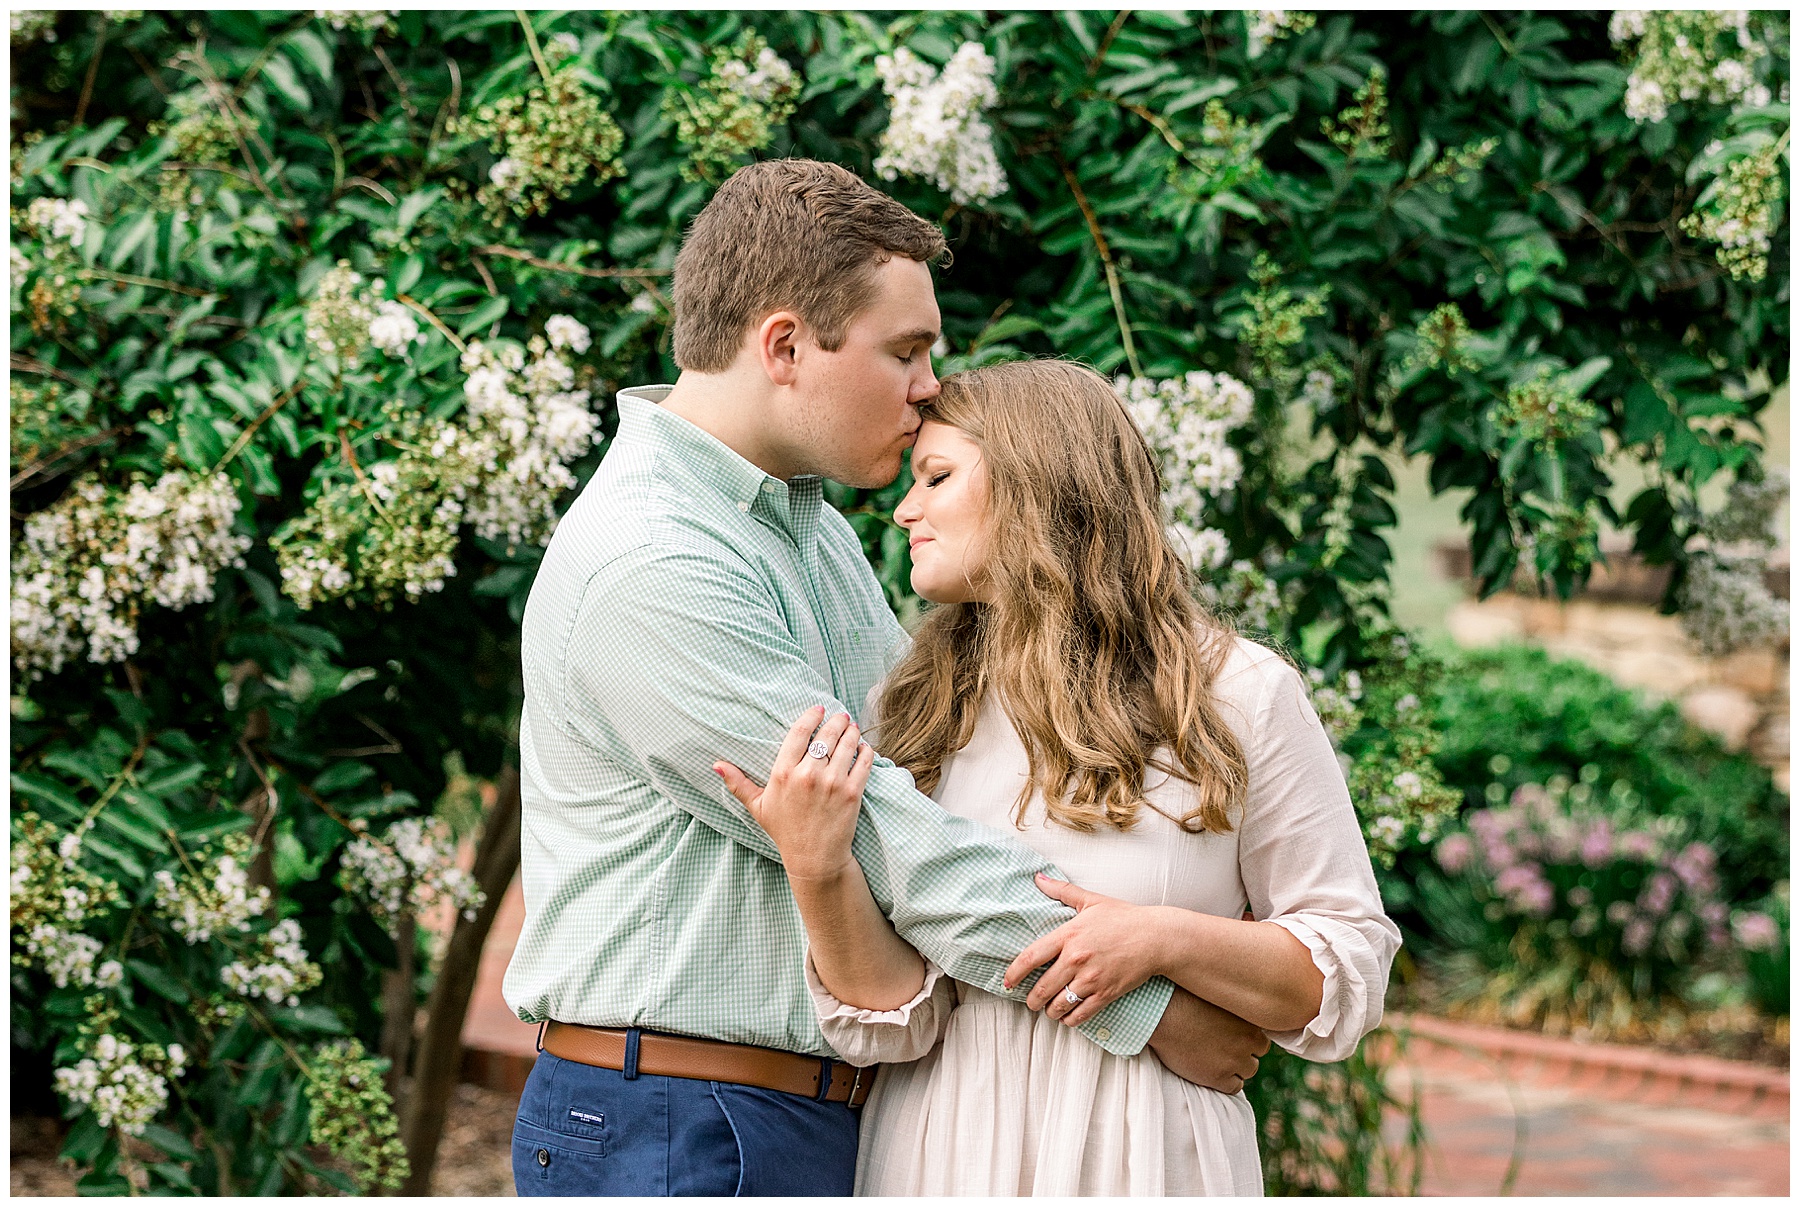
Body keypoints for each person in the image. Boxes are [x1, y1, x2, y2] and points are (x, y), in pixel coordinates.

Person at [502, 160, 1268, 1197]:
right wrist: (1151, 1006)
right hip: (680, 1125)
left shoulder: (805, 530)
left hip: (791, 1114)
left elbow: (922, 777)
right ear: (783, 345)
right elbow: (893, 836)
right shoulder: (656, 561)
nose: (927, 388)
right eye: (904, 351)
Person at [715, 359, 1401, 1195]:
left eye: (938, 476)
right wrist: (820, 870)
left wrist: (1160, 937)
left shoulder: (1237, 693)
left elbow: (1346, 967)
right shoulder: (913, 707)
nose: (904, 507)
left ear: (1039, 483)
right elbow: (897, 1013)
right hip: (940, 1151)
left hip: (1145, 1153)